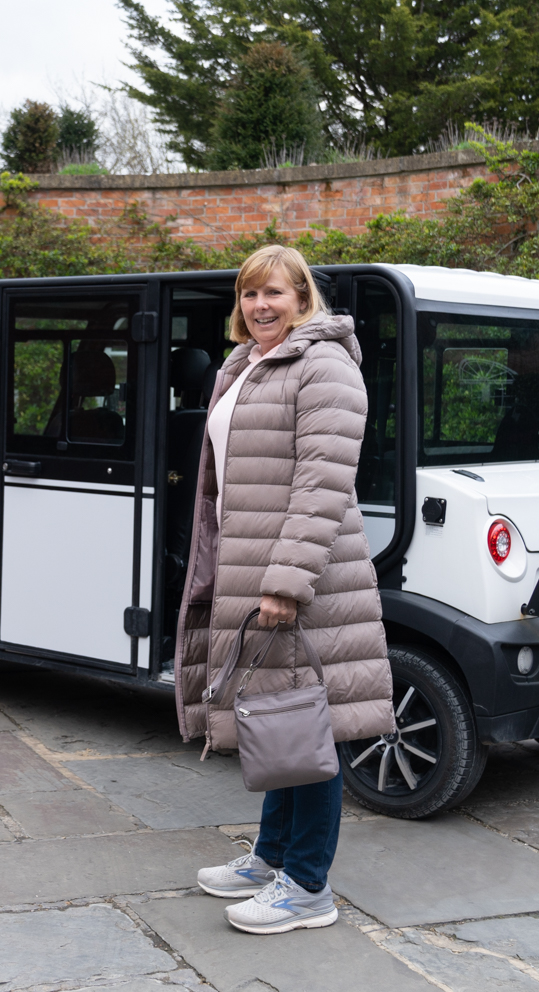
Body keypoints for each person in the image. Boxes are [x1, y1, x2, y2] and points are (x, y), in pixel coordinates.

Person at [176, 244, 395, 934]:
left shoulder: (324, 365)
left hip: (303, 581)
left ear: (304, 299)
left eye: (275, 293)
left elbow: (320, 484)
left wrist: (285, 583)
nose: (261, 306)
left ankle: (307, 887)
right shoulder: (246, 364)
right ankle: (272, 857)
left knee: (308, 725)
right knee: (278, 713)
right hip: (257, 570)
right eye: (249, 294)